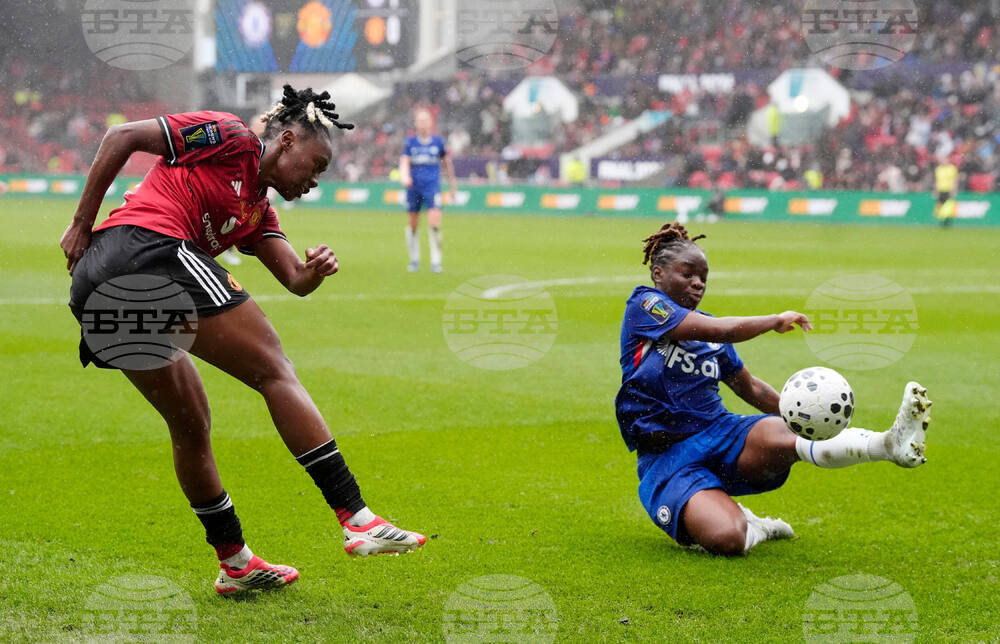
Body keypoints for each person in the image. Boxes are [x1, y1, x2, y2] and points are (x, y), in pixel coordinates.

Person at [59, 84, 426, 595]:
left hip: (98, 292)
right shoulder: (230, 136)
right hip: (141, 251)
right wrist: (81, 223)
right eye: (314, 167)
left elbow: (294, 280)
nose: (314, 182)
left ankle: (235, 562)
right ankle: (356, 516)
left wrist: (315, 271)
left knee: (190, 425)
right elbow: (122, 136)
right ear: (287, 141)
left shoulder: (258, 213)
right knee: (274, 368)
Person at [615, 223, 932, 556]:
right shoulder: (645, 306)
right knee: (727, 540)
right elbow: (719, 329)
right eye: (688, 274)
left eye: (703, 278)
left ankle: (887, 444)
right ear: (658, 273)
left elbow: (751, 388)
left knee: (788, 432)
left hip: (721, 434)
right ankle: (753, 524)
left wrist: (810, 419)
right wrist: (773, 320)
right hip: (667, 459)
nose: (697, 283)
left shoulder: (711, 340)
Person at [399, 108, 456, 273]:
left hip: (432, 188)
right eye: (420, 121)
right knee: (413, 225)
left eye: (426, 120)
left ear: (431, 123)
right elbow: (404, 161)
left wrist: (453, 186)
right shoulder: (410, 143)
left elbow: (447, 164)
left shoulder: (438, 142)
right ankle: (414, 260)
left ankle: (436, 261)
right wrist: (405, 176)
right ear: (415, 124)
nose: (423, 124)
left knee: (435, 224)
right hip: (413, 189)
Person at [933, 156, 959, 227]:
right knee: (940, 205)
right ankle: (942, 220)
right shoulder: (938, 169)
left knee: (949, 206)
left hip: (949, 189)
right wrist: (935, 191)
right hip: (941, 189)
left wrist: (954, 190)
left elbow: (955, 180)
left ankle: (948, 221)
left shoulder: (952, 169)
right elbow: (936, 181)